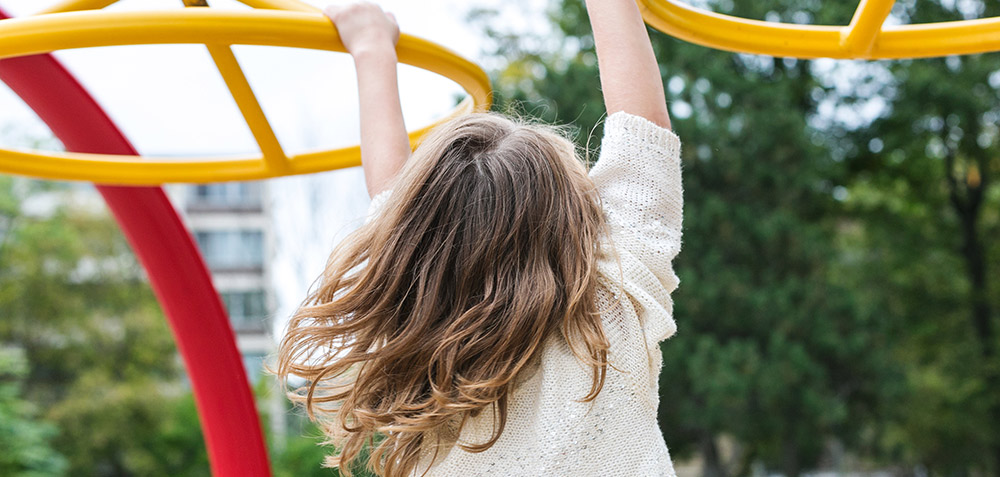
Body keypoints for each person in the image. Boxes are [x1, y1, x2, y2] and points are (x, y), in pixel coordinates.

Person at [276, 0, 683, 475]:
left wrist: (370, 48)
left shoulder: (420, 324)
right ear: (572, 217)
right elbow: (643, 131)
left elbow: (394, 204)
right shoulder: (608, 308)